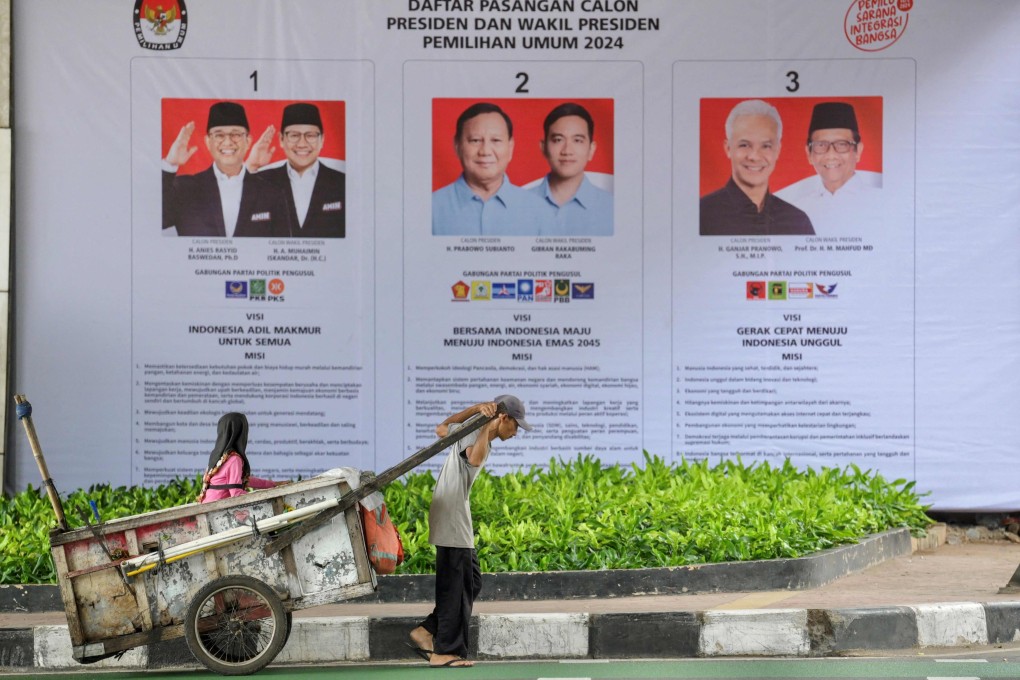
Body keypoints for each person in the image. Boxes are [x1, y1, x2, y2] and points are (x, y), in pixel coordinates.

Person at [408, 395, 533, 668]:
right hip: (453, 517)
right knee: (456, 586)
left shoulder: (474, 430)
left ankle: (426, 630)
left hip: (453, 515)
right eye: (516, 426)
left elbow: (441, 429)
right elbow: (474, 459)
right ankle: (445, 651)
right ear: (504, 418)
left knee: (471, 581)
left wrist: (476, 413)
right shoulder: (479, 436)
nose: (516, 433)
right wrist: (481, 419)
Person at [162, 101, 292, 238]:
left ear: (248, 141)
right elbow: (153, 219)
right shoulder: (184, 189)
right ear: (208, 142)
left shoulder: (271, 193)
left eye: (236, 134)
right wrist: (170, 163)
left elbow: (282, 248)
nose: (228, 142)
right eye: (219, 135)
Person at [432, 102, 553, 236]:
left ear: (510, 147)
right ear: (457, 146)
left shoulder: (539, 209)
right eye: (475, 140)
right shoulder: (430, 208)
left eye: (496, 140)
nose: (485, 151)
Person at [699, 99, 815, 236]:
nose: (754, 156)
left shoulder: (797, 221)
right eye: (744, 145)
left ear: (778, 150)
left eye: (765, 146)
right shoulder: (701, 215)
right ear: (728, 148)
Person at [775, 101, 882, 232]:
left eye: (842, 144)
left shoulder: (882, 202)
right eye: (821, 145)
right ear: (809, 153)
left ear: (858, 151)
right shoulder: (797, 211)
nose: (831, 155)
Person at [247, 102, 347, 238]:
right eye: (294, 135)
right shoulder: (262, 180)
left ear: (322, 140)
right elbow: (234, 212)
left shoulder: (342, 183)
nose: (302, 144)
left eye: (310, 135)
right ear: (281, 140)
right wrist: (251, 165)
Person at [530, 102, 613, 236]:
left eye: (577, 140)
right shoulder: (518, 205)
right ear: (544, 148)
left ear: (591, 149)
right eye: (558, 140)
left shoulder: (612, 207)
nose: (567, 151)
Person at [197, 413, 285, 503]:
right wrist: (265, 497)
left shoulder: (217, 456)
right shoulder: (234, 459)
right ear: (241, 433)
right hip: (216, 512)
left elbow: (240, 480)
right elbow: (236, 494)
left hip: (207, 507)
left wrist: (273, 485)